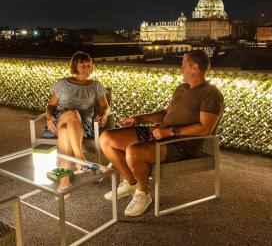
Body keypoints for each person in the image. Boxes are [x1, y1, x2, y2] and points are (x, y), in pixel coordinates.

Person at [100, 50, 224, 217]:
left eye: (183, 64)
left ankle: (143, 194)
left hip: (180, 143)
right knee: (107, 138)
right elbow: (166, 114)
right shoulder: (181, 88)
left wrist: (169, 132)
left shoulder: (211, 93)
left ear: (195, 67)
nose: (180, 68)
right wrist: (138, 118)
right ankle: (131, 183)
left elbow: (205, 128)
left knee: (134, 152)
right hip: (160, 133)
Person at [46, 51, 110, 188]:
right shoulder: (63, 83)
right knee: (72, 114)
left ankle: (65, 181)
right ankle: (80, 159)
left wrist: (104, 114)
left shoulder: (96, 85)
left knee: (64, 132)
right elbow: (51, 105)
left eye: (89, 65)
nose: (87, 68)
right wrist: (49, 116)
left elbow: (106, 106)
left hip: (82, 126)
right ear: (75, 67)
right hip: (58, 120)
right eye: (83, 66)